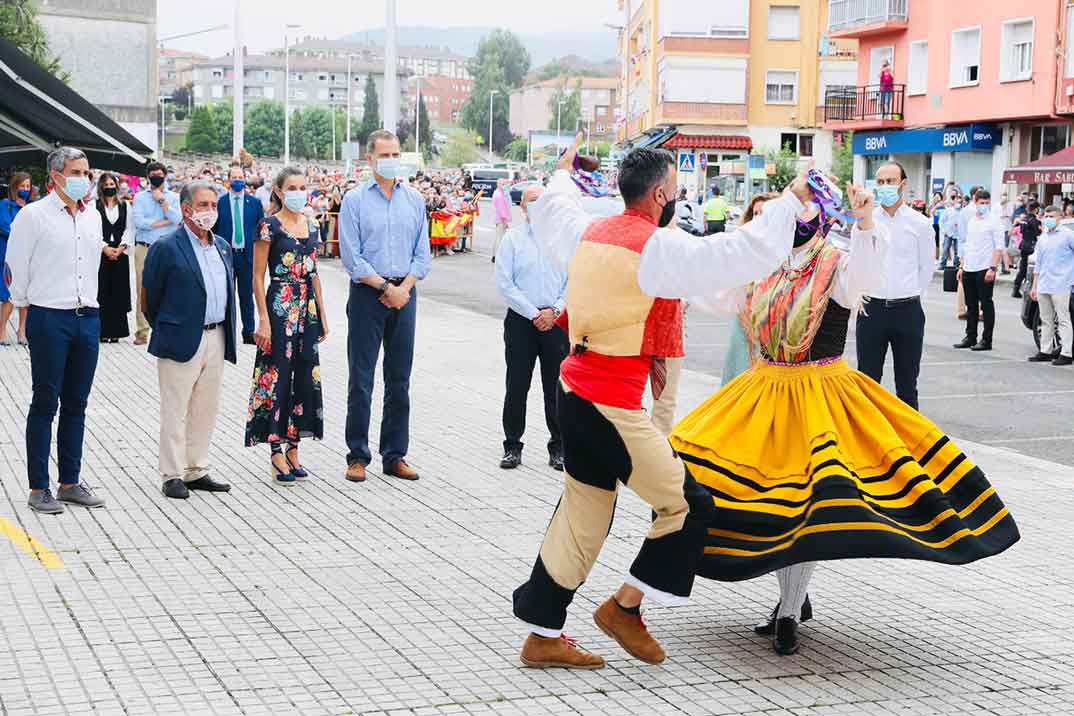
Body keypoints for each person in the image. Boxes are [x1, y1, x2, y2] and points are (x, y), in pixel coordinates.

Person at [669, 182, 1019, 657]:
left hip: (819, 395)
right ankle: (790, 601)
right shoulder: (761, 266)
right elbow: (715, 292)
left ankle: (790, 610)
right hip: (765, 392)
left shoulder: (834, 264)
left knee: (810, 506)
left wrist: (866, 222)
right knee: (770, 503)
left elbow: (866, 280)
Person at [511, 135, 813, 670]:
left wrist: (561, 172)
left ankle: (542, 633)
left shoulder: (587, 232)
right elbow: (729, 254)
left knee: (582, 516)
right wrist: (790, 201)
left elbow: (555, 206)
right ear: (657, 196)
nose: (676, 198)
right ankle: (625, 608)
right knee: (687, 505)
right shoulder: (654, 247)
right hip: (609, 404)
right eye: (673, 189)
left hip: (575, 393)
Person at [7, 147, 106, 513]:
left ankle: (70, 481)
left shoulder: (91, 217)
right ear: (56, 177)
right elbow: (15, 267)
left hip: (87, 317)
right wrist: (24, 312)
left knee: (77, 404)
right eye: (77, 172)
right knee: (45, 401)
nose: (84, 178)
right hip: (49, 318)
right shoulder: (34, 216)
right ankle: (38, 487)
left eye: (87, 172)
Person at [338, 130, 431, 484]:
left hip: (405, 296)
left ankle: (394, 454)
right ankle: (357, 455)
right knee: (361, 379)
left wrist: (403, 288)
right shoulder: (355, 200)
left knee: (399, 379)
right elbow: (351, 255)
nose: (392, 159)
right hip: (368, 294)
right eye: (385, 154)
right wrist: (384, 287)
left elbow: (422, 255)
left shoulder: (414, 200)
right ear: (370, 159)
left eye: (396, 153)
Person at [141, 180, 237, 500]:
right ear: (186, 209)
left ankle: (197, 469)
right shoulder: (166, 247)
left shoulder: (222, 245)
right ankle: (171, 474)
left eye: (214, 205)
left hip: (216, 334)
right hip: (180, 338)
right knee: (175, 408)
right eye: (204, 205)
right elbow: (149, 298)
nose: (210, 211)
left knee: (205, 407)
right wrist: (169, 326)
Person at [246, 167, 328, 484]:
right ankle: (276, 450)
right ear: (279, 191)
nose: (298, 192)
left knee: (305, 376)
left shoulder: (312, 225)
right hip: (280, 304)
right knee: (277, 375)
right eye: (291, 187)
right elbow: (257, 275)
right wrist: (263, 318)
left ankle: (294, 447)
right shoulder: (268, 226)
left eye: (302, 186)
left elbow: (314, 272)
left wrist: (322, 313)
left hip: (306, 307)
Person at [495, 184, 568, 471]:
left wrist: (554, 311)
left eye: (542, 201)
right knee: (517, 385)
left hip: (556, 322)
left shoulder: (562, 242)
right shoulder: (512, 240)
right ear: (522, 207)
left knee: (556, 388)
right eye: (531, 201)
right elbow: (504, 283)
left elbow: (571, 281)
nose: (537, 206)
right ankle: (512, 445)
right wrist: (533, 312)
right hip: (520, 322)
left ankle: (559, 447)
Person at [854, 162, 934, 410]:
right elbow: (857, 259)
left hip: (907, 311)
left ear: (903, 184)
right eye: (880, 182)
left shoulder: (919, 223)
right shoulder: (866, 221)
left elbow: (926, 269)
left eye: (890, 181)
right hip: (872, 310)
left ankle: (912, 443)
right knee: (867, 383)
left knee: (907, 385)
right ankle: (867, 442)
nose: (885, 187)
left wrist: (908, 294)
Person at [721, 192, 778, 385]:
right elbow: (735, 291)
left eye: (764, 213)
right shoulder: (743, 250)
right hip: (744, 327)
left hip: (774, 333)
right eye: (755, 213)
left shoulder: (786, 251)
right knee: (738, 380)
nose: (758, 218)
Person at [213, 163, 265, 345]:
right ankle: (226, 331)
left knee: (246, 295)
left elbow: (261, 231)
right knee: (226, 294)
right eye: (234, 178)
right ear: (228, 181)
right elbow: (214, 229)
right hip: (226, 255)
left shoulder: (255, 203)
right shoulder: (220, 203)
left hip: (247, 256)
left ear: (245, 180)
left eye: (240, 178)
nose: (237, 181)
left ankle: (248, 331)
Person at [131, 161, 181, 346]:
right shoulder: (139, 197)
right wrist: (163, 221)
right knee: (142, 289)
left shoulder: (174, 197)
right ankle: (142, 330)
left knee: (168, 287)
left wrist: (161, 200)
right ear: (147, 177)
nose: (156, 178)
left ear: (165, 176)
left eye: (159, 175)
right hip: (144, 246)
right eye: (152, 175)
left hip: (167, 247)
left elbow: (178, 219)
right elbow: (139, 222)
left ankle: (165, 327)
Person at [954, 190, 1004, 352]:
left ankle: (986, 340)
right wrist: (962, 266)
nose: (984, 206)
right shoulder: (972, 221)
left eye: (986, 203)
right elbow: (968, 245)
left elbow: (999, 246)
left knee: (986, 304)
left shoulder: (994, 221)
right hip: (970, 267)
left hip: (985, 268)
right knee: (971, 305)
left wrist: (993, 267)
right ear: (974, 202)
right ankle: (970, 336)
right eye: (981, 202)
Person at [1028, 205, 1074, 365]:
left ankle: (1067, 353)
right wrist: (1035, 286)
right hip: (1044, 284)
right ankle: (1045, 351)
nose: (1048, 219)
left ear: (1060, 217)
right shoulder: (1044, 237)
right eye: (1046, 216)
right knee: (1046, 319)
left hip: (1061, 284)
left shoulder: (1068, 235)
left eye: (1051, 216)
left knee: (1063, 319)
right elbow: (1038, 264)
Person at [95, 173, 133, 343]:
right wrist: (104, 247)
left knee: (118, 291)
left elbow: (129, 228)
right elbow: (93, 230)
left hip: (120, 253)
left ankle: (117, 331)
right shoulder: (93, 206)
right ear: (101, 187)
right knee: (102, 290)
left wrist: (121, 247)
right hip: (102, 253)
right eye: (106, 184)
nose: (109, 186)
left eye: (112, 183)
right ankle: (102, 331)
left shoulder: (125, 206)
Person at [0, 172, 33, 345]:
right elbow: (5, 226)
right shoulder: (5, 205)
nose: (25, 189)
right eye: (22, 186)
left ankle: (22, 331)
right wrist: (24, 236)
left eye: (28, 186)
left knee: (26, 297)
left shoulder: (32, 206)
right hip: (7, 256)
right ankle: (2, 330)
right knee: (8, 296)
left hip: (28, 257)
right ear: (15, 187)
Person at [1012, 201, 1041, 298]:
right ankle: (1029, 288)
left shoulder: (1024, 219)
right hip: (1031, 246)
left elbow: (1021, 230)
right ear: (1036, 209)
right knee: (1033, 269)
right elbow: (1037, 233)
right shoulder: (1034, 220)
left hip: (1024, 244)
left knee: (1023, 269)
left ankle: (1016, 289)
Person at [492, 178, 512, 262]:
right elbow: (501, 209)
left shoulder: (500, 193)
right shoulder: (499, 195)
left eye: (505, 184)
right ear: (498, 184)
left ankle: (495, 256)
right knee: (500, 238)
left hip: (500, 218)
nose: (504, 186)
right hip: (501, 219)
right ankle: (496, 256)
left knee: (499, 237)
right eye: (502, 184)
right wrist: (505, 220)